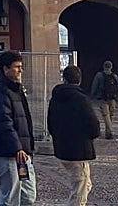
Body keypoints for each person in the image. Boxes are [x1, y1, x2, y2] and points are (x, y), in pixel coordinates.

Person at [0, 51, 36, 206]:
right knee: (10, 198)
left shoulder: (16, 90)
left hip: (21, 153)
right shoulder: (1, 92)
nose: (21, 70)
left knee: (28, 195)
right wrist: (17, 147)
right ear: (5, 69)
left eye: (21, 67)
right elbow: (4, 122)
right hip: (8, 152)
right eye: (17, 67)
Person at [47, 65, 100, 206]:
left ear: (64, 79)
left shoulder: (55, 98)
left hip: (62, 148)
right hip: (79, 149)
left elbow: (50, 124)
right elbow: (93, 124)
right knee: (81, 184)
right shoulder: (81, 99)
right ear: (79, 80)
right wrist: (93, 135)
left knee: (85, 183)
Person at [87, 60, 118, 139]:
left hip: (102, 98)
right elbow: (117, 87)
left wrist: (91, 96)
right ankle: (108, 132)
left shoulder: (99, 75)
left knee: (106, 115)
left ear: (104, 66)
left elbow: (94, 85)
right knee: (110, 115)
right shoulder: (114, 76)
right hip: (112, 98)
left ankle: (109, 131)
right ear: (111, 67)